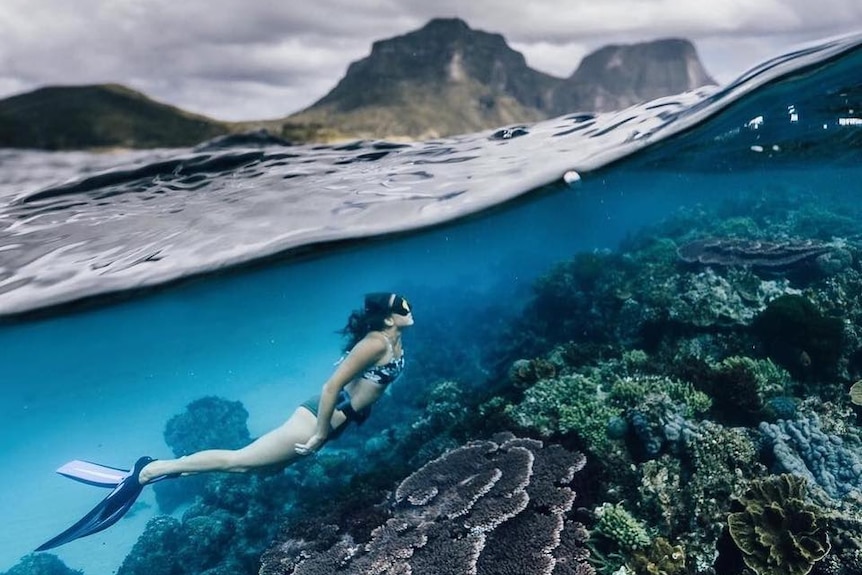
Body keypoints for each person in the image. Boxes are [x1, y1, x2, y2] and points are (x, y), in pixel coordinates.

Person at [36, 292, 414, 551]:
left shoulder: (392, 341)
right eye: (401, 304)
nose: (408, 307)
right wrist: (318, 434)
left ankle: (162, 471)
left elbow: (361, 381)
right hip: (322, 417)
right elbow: (332, 385)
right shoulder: (377, 342)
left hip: (338, 420)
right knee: (239, 460)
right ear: (386, 316)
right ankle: (149, 473)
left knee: (255, 472)